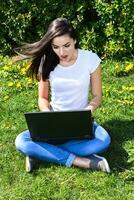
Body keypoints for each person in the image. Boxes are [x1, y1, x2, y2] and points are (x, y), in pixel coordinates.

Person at [15, 18, 111, 173]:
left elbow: (97, 96)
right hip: (53, 124)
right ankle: (83, 162)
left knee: (103, 141)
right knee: (21, 141)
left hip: (81, 121)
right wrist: (47, 116)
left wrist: (87, 112)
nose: (61, 52)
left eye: (66, 46)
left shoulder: (90, 59)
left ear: (75, 40)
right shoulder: (47, 62)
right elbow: (43, 98)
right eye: (55, 47)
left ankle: (41, 153)